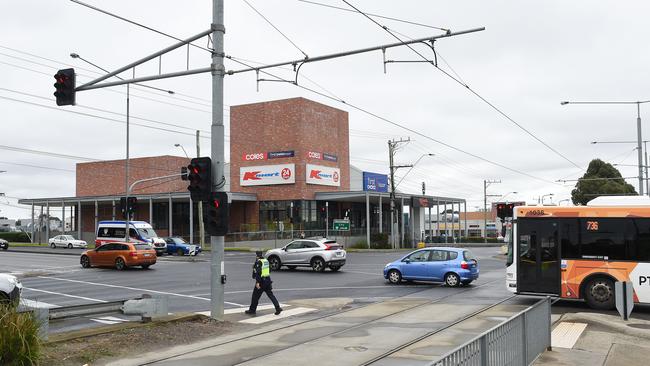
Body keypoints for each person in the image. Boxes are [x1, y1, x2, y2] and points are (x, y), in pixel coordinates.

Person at [245, 250, 282, 315]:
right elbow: (270, 270)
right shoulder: (266, 261)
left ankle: (252, 310)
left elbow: (258, 273)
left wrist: (257, 282)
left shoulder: (258, 262)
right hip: (268, 280)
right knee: (271, 295)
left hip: (261, 281)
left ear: (256, 255)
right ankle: (278, 308)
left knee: (255, 296)